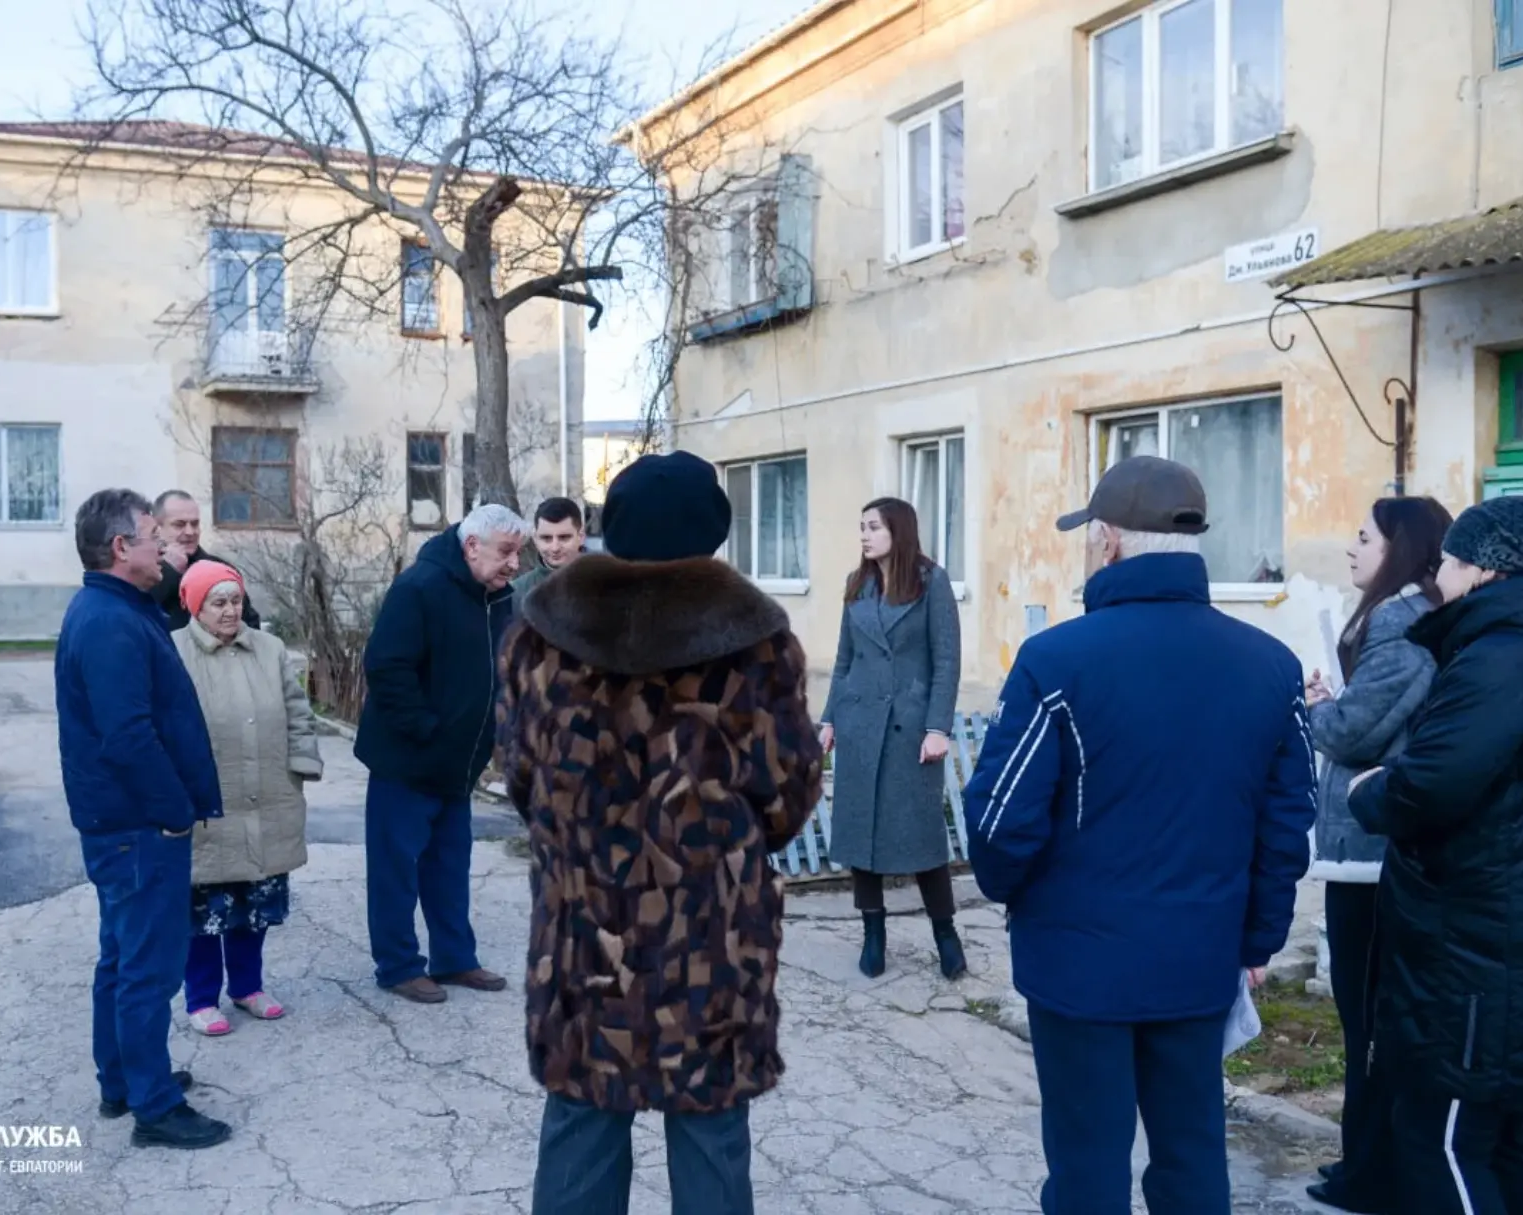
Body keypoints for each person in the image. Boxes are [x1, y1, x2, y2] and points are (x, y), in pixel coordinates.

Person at [959, 456, 1315, 1215]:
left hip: (1079, 966)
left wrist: (1018, 897)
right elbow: (1287, 824)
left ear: (1110, 540)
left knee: (1088, 1165)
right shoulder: (1272, 665)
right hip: (1200, 958)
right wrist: (1257, 939)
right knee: (1192, 1156)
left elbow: (999, 820)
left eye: (1090, 536)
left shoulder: (1056, 660)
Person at [497, 450, 824, 1215]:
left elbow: (521, 775)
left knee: (582, 1124)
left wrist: (580, 837)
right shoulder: (756, 645)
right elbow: (790, 791)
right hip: (709, 936)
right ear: (714, 532)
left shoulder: (541, 637)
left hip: (586, 930)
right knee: (710, 1131)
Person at [1348, 496, 1523, 1215]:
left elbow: (1428, 786)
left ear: (1487, 569)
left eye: (1450, 562)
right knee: (1492, 1138)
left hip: (1481, 948)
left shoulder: (1500, 662)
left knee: (1439, 1140)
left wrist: (1371, 790)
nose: (1440, 577)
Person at [56, 489, 231, 1150]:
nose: (167, 545)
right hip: (137, 826)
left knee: (123, 956)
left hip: (126, 823)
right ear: (120, 546)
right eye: (155, 535)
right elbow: (127, 736)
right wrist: (174, 812)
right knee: (148, 968)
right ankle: (155, 1107)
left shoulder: (120, 607)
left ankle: (123, 1081)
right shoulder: (108, 622)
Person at [1300, 496, 1451, 1214]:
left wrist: (1318, 708)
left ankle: (1370, 1174)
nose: (1352, 549)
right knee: (1374, 1018)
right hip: (1382, 846)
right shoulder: (1415, 616)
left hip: (1373, 852)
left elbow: (1355, 731)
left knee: (1368, 1020)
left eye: (1364, 538)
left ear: (1401, 548)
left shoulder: (1399, 620)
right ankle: (1366, 1162)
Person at [356, 503, 529, 1003]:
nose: (515, 563)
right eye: (506, 551)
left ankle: (455, 959)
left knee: (449, 867)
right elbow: (387, 667)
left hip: (457, 763)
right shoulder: (419, 588)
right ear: (471, 546)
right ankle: (398, 966)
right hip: (407, 762)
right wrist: (426, 731)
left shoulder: (496, 598)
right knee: (396, 871)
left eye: (518, 553)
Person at [170, 560, 323, 1037]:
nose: (230, 611)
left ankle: (248, 987)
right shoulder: (173, 651)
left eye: (236, 600)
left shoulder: (269, 649)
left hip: (267, 793)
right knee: (205, 910)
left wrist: (302, 763)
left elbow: (299, 712)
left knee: (254, 903)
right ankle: (200, 998)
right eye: (218, 602)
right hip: (208, 801)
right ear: (196, 606)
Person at [818, 497, 966, 980]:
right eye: (861, 527)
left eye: (874, 527)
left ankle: (946, 934)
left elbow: (947, 660)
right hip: (860, 725)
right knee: (861, 834)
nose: (864, 535)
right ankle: (873, 934)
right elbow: (844, 660)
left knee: (922, 835)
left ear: (897, 530)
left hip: (910, 730)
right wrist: (830, 719)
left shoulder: (931, 582)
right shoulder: (856, 584)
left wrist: (938, 727)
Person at [151, 490, 262, 632]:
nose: (190, 532)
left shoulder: (220, 569)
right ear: (157, 528)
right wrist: (169, 571)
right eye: (179, 525)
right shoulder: (142, 571)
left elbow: (250, 625)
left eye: (194, 524)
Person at [510, 496, 587, 602]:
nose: (555, 548)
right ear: (535, 539)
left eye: (564, 538)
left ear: (581, 537)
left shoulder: (605, 584)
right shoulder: (516, 593)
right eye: (546, 538)